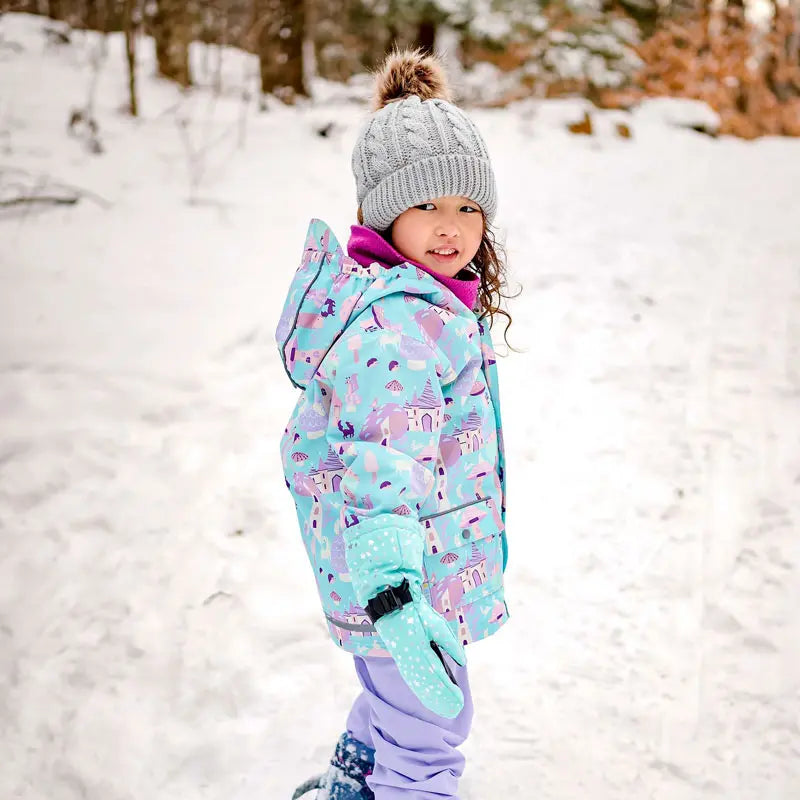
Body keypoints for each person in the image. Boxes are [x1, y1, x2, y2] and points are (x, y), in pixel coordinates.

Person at [276, 49, 513, 800]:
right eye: (427, 207)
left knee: (405, 706)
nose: (451, 229)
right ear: (385, 212)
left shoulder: (428, 303)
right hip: (400, 576)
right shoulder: (396, 327)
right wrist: (397, 600)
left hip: (420, 561)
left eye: (467, 208)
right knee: (431, 733)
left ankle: (353, 781)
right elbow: (379, 466)